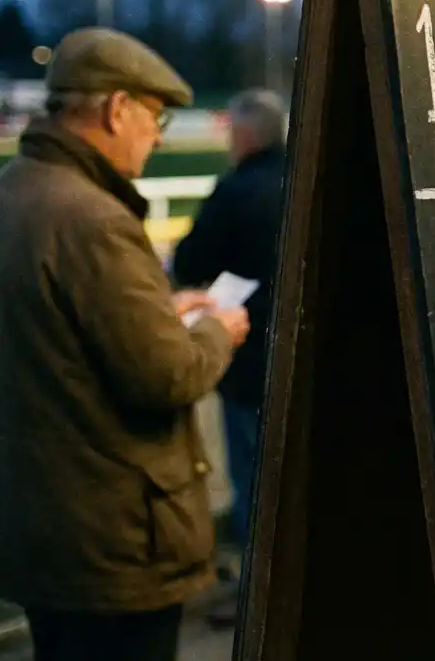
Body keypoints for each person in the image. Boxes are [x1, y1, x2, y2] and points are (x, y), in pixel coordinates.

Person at [0, 28, 249, 661]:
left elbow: (55, 329)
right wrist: (219, 328)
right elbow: (168, 375)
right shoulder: (96, 219)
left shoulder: (14, 191)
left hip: (38, 524)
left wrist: (157, 310)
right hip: (112, 541)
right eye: (154, 117)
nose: (158, 135)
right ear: (117, 109)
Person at [172, 89, 288, 627]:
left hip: (245, 363)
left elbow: (191, 261)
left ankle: (256, 598)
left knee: (254, 482)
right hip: (293, 356)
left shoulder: (235, 190)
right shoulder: (302, 179)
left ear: (242, 137)